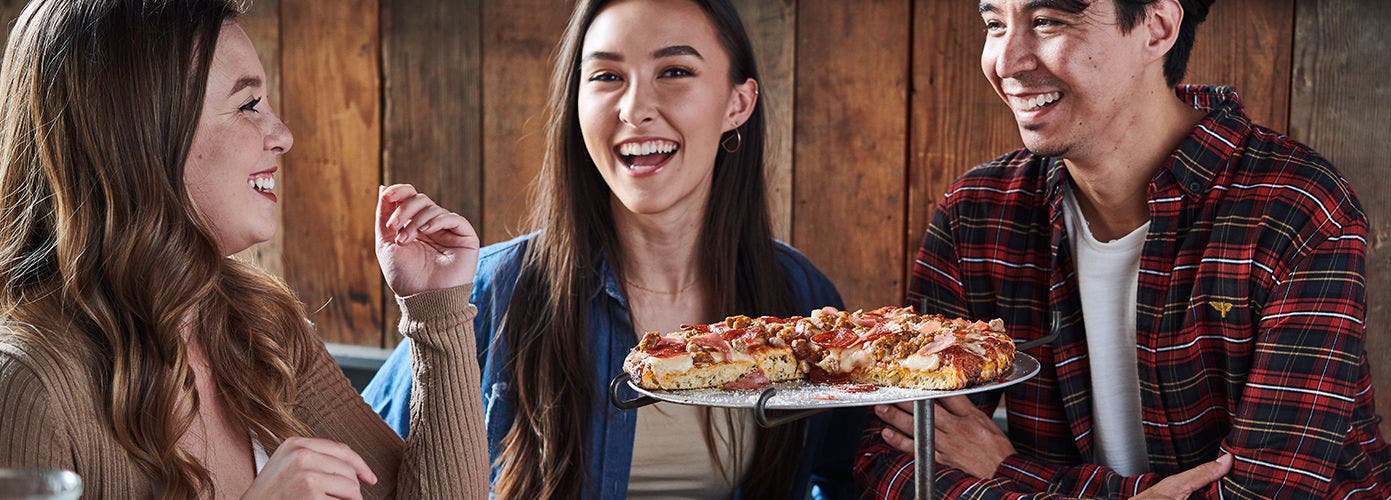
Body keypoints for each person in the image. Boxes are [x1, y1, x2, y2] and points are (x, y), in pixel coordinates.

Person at [856, 0, 1391, 498]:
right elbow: (891, 451)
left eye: (1047, 20)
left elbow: (1262, 493)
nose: (1007, 61)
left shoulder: (1292, 206)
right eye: (995, 23)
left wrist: (1011, 474)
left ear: (1156, 27)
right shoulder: (979, 210)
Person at [362, 0, 864, 497]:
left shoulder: (800, 296)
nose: (635, 109)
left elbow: (850, 478)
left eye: (673, 71)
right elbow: (359, 465)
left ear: (738, 104)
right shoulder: (488, 292)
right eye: (606, 77)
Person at [0, 0, 488, 498]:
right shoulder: (27, 385)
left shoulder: (262, 327)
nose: (284, 136)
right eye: (249, 106)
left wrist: (436, 309)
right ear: (138, 134)